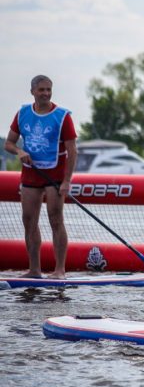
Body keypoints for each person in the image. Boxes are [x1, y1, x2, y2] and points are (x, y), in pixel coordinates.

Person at [4, 75, 77, 279]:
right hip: (30, 176)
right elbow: (8, 143)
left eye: (48, 89)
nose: (45, 93)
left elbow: (73, 151)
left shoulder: (62, 116)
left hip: (54, 177)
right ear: (33, 92)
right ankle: (34, 270)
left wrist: (67, 181)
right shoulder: (23, 113)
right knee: (29, 220)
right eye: (41, 90)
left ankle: (59, 270)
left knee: (55, 220)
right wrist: (19, 152)